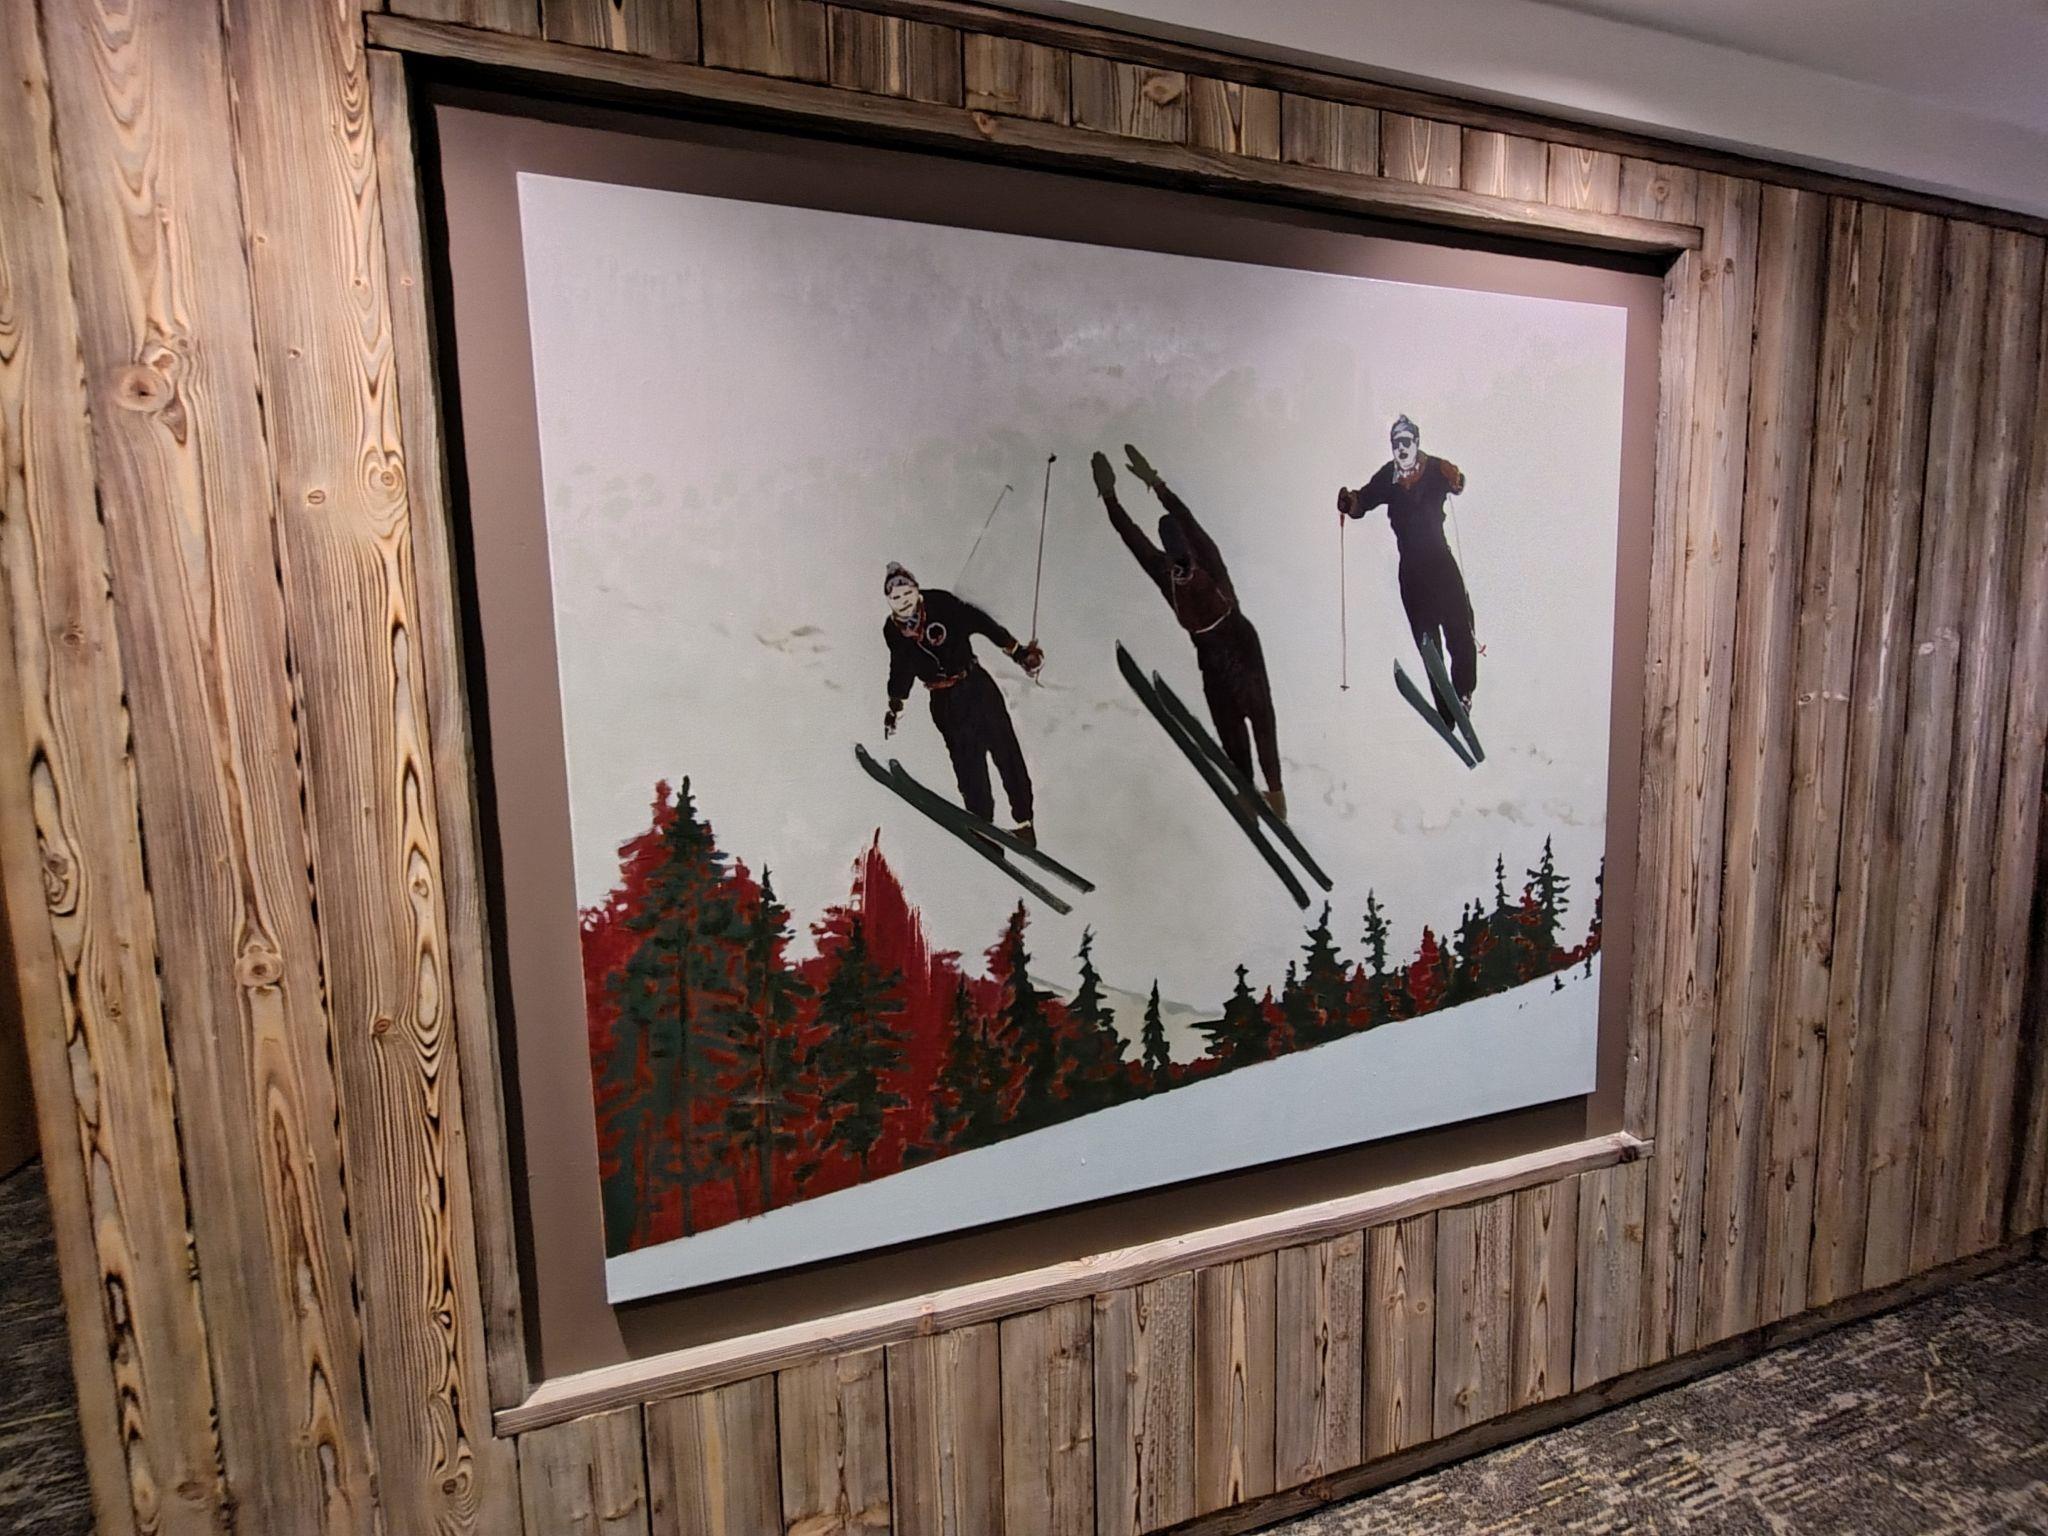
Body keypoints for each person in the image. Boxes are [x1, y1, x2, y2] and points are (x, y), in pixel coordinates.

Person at [1092, 444, 1286, 822]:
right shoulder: (1164, 571)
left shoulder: (1206, 557)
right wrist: (1110, 495)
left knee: (1259, 714)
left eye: (1184, 561)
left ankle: (1276, 795)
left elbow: (1185, 518)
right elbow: (1132, 537)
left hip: (1238, 640)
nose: (1182, 571)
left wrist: (1156, 483)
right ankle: (1248, 793)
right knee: (1228, 725)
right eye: (1176, 563)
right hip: (1208, 652)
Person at [881, 563, 1044, 846]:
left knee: (1005, 750)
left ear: (916, 590)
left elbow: (980, 622)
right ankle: (983, 828)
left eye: (907, 593)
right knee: (968, 766)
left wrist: (1017, 652)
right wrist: (896, 705)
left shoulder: (941, 603)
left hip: (976, 688)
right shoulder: (893, 631)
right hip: (944, 704)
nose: (903, 601)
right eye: (896, 598)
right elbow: (900, 668)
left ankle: (1024, 823)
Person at [1337, 414, 1476, 714]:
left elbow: (1458, 483)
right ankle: (1447, 712)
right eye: (1395, 444)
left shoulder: (1435, 468)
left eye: (1405, 442)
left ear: (1416, 442)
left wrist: (1456, 478)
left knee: (1459, 627)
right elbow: (1364, 499)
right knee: (1427, 642)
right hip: (1412, 572)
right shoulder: (1388, 477)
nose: (1400, 448)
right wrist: (1350, 502)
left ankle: (1463, 694)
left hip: (1440, 562)